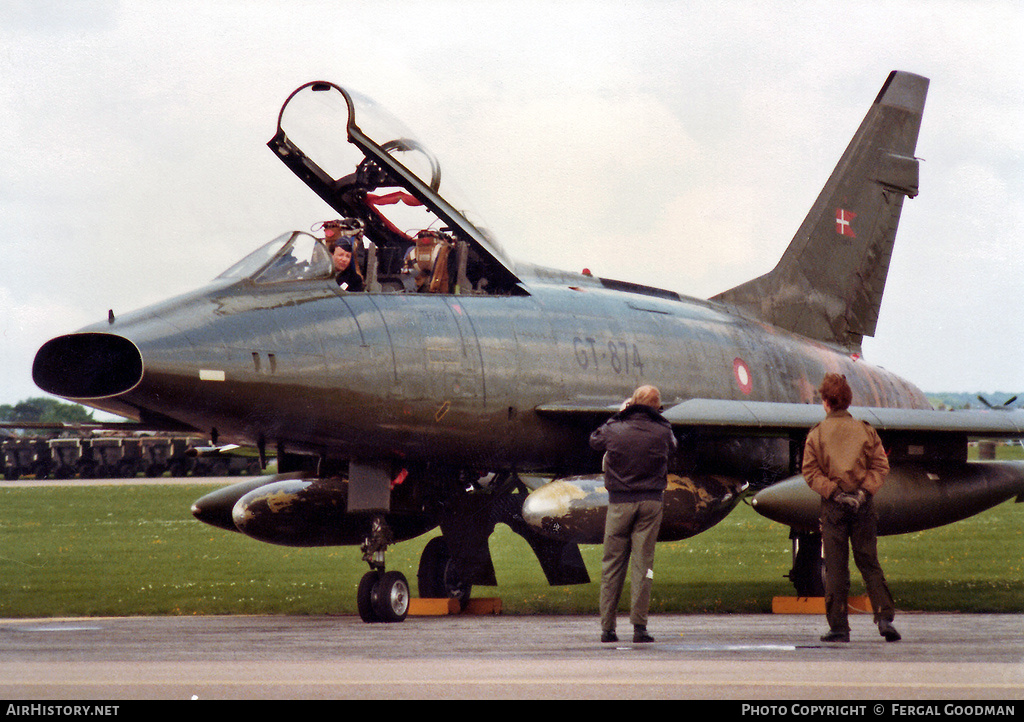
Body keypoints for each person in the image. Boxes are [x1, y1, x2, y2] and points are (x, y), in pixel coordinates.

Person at [802, 373, 900, 643]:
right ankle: (883, 619)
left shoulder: (816, 434)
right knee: (868, 561)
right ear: (847, 400)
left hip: (833, 508)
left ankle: (839, 627)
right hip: (863, 506)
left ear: (825, 402)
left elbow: (810, 471)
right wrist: (862, 493)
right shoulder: (865, 430)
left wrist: (835, 493)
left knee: (835, 567)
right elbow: (881, 466)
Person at [589, 385, 677, 644]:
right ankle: (640, 627)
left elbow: (595, 440)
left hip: (619, 504)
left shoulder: (614, 428)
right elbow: (673, 446)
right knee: (644, 566)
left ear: (632, 404)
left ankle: (607, 629)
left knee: (612, 565)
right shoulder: (663, 430)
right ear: (656, 407)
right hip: (651, 503)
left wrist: (618, 415)